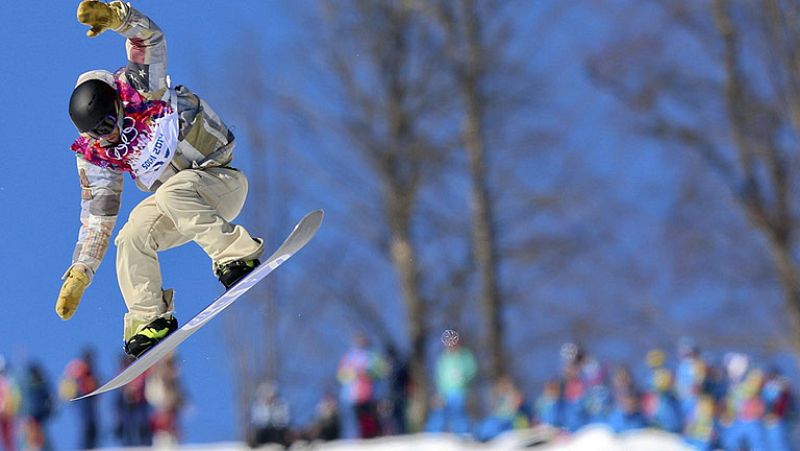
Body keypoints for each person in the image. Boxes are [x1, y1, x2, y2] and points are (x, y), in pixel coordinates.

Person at [55, 0, 264, 358]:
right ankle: (150, 316)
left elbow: (148, 39)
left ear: (117, 104)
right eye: (98, 132)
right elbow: (97, 218)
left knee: (172, 192)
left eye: (109, 122)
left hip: (220, 181)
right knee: (131, 234)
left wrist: (117, 18)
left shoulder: (140, 87)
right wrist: (81, 272)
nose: (110, 135)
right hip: (185, 208)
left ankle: (236, 255)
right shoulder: (100, 156)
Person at [337, 334, 388, 439]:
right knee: (359, 418)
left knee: (373, 416)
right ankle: (363, 436)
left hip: (372, 393)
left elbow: (382, 370)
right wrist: (353, 374)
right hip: (354, 395)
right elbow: (341, 374)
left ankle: (377, 435)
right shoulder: (350, 356)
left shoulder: (374, 355)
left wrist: (368, 373)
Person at [58, 349, 100, 450]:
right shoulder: (80, 366)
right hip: (82, 398)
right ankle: (85, 448)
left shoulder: (85, 368)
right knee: (87, 426)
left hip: (87, 398)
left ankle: (90, 446)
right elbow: (80, 382)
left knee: (91, 426)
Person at [20, 363, 54, 451]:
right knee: (33, 438)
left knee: (38, 438)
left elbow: (48, 399)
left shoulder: (39, 384)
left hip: (37, 416)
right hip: (33, 417)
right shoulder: (29, 385)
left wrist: (49, 410)